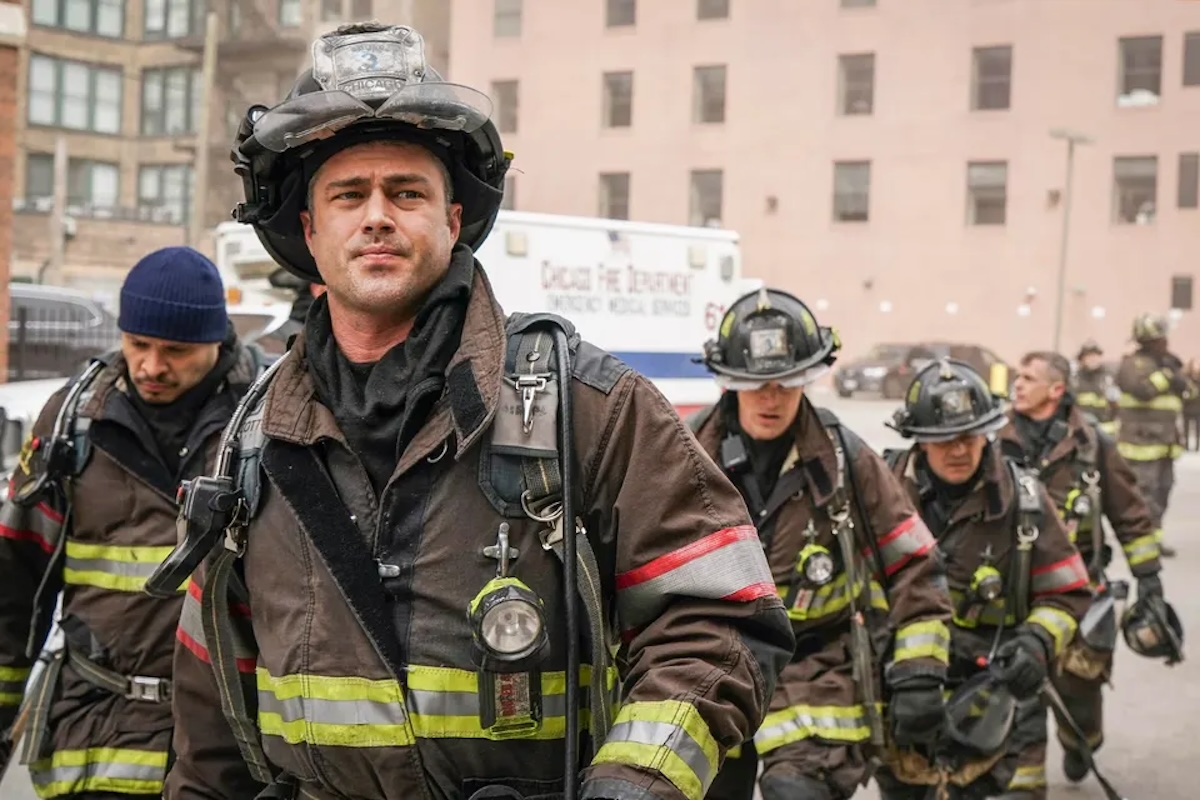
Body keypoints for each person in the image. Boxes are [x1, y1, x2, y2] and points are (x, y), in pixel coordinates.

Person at [163, 22, 794, 800]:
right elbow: (211, 707)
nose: (377, 217)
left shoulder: (585, 406)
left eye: (407, 192)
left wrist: (638, 781)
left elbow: (720, 618)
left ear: (454, 221)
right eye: (348, 194)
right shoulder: (255, 441)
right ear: (309, 231)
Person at [0, 247, 262, 798]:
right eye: (137, 343)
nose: (150, 366)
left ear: (217, 341)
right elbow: (13, 583)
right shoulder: (74, 423)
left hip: (222, 746)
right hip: (92, 738)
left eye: (175, 350)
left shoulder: (262, 425)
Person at [690, 288, 953, 800]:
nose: (772, 397)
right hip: (706, 663)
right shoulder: (684, 450)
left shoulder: (845, 459)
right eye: (756, 382)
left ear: (808, 378)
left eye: (787, 382)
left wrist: (920, 672)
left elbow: (915, 564)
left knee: (798, 791)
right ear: (731, 381)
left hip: (814, 668)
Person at [877, 359, 1090, 800]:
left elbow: (1068, 592)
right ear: (918, 439)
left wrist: (1037, 642)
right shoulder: (881, 494)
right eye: (945, 440)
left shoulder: (1024, 501)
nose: (959, 450)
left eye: (970, 437)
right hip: (906, 688)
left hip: (1001, 684)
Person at [998, 351, 1166, 784]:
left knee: (1079, 693)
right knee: (1019, 692)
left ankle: (1081, 741)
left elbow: (1131, 515)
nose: (1017, 384)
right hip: (1012, 592)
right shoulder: (996, 438)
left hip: (1080, 593)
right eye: (1018, 375)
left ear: (1056, 390)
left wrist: (1149, 580)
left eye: (1028, 377)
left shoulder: (1094, 444)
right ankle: (1024, 783)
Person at [1114, 313, 1197, 558]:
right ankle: (1141, 544)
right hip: (1140, 444)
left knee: (1162, 493)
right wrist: (1168, 376)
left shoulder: (1168, 362)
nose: (1165, 342)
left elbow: (1190, 395)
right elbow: (1142, 391)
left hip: (1166, 446)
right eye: (1160, 338)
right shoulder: (1132, 365)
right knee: (1143, 495)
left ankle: (1155, 540)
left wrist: (1185, 380)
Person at [1071, 341, 1117, 436]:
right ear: (1082, 359)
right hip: (1083, 430)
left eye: (1095, 355)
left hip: (1107, 429)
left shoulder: (1110, 377)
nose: (1093, 359)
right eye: (1089, 356)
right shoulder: (1075, 380)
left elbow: (1117, 403)